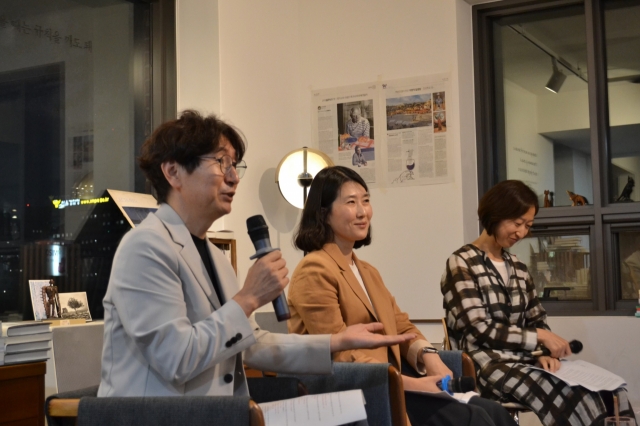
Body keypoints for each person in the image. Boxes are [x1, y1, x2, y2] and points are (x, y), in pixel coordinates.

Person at [98, 111, 414, 398]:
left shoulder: (214, 256)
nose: (233, 177)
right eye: (221, 163)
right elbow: (176, 357)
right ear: (173, 172)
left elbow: (252, 342)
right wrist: (248, 297)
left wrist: (337, 341)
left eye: (235, 165)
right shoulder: (145, 247)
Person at [287, 166, 517, 426]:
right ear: (323, 214)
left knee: (495, 412)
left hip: (392, 379)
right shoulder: (314, 269)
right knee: (473, 418)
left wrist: (428, 355)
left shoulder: (366, 270)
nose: (363, 212)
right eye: (351, 202)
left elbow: (401, 325)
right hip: (358, 389)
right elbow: (339, 353)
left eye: (366, 200)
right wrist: (411, 383)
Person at [441, 180, 636, 426]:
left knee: (612, 392)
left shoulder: (519, 267)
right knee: (574, 396)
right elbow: (479, 328)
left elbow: (537, 319)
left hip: (524, 362)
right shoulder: (461, 263)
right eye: (517, 223)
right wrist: (539, 338)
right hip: (485, 365)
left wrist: (544, 354)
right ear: (495, 214)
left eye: (528, 225)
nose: (521, 233)